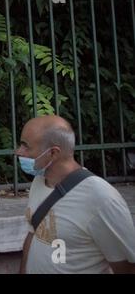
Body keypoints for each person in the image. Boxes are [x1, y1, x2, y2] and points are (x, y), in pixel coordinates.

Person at [15, 115, 135, 274]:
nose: (18, 151)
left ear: (53, 153)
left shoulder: (101, 197)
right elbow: (34, 234)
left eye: (26, 146)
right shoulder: (39, 181)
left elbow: (127, 266)